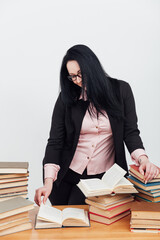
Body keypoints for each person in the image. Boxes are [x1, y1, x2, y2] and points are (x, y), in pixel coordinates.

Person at [34, 44, 159, 206]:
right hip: (65, 177)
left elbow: (131, 133)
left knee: (92, 225)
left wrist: (143, 159)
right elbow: (55, 141)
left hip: (103, 178)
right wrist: (48, 182)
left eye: (80, 74)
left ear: (92, 68)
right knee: (66, 224)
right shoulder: (66, 98)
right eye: (72, 76)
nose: (77, 81)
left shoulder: (122, 90)